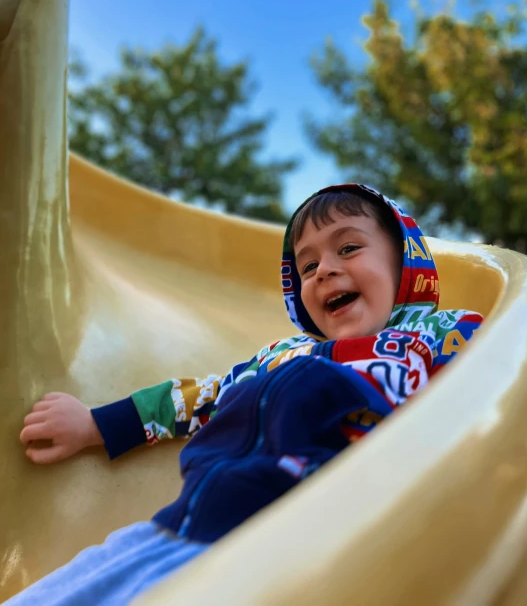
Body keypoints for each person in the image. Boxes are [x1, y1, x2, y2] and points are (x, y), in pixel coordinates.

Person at [11, 184, 483, 605]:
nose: (324, 271)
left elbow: (501, 385)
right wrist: (96, 425)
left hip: (325, 541)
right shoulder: (279, 356)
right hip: (193, 523)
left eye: (349, 247)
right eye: (309, 265)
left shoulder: (442, 334)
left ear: (404, 261)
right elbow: (196, 398)